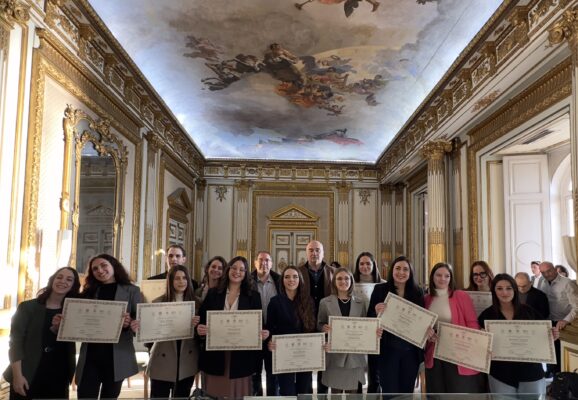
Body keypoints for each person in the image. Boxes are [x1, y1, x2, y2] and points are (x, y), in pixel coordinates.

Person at [196, 256, 269, 399]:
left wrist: (263, 334)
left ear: (246, 273)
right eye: (234, 268)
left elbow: (259, 325)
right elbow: (202, 320)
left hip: (241, 358)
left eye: (242, 269)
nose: (237, 272)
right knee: (214, 394)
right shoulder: (213, 293)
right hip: (215, 355)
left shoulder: (253, 296)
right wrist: (200, 330)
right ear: (228, 269)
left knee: (237, 394)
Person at [4, 267, 80, 400]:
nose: (63, 281)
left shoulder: (73, 311)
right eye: (59, 277)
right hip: (28, 371)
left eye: (69, 279)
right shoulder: (27, 307)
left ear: (73, 286)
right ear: (52, 280)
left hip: (58, 373)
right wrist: (17, 376)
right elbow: (15, 343)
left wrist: (57, 330)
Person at [76, 254, 142, 399]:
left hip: (117, 355)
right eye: (95, 269)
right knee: (85, 395)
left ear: (113, 266)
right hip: (90, 355)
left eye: (104, 265)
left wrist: (130, 323)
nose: (100, 270)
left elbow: (140, 319)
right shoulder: (88, 292)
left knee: (110, 396)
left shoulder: (132, 290)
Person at [479, 274, 559, 394]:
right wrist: (482, 339)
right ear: (494, 291)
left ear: (514, 290)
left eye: (509, 288)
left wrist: (552, 335)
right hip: (501, 374)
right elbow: (481, 346)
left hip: (531, 373)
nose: (504, 292)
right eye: (499, 288)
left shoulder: (529, 311)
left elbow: (544, 335)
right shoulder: (486, 315)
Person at [140, 265, 201, 398]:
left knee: (182, 396)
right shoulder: (157, 303)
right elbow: (150, 333)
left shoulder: (198, 304)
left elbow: (201, 336)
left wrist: (195, 327)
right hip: (162, 358)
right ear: (170, 281)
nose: (181, 281)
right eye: (177, 278)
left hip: (187, 359)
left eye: (184, 278)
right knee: (158, 396)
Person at [367, 256, 425, 394]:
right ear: (392, 270)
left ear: (410, 273)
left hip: (410, 352)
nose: (401, 272)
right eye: (397, 268)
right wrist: (375, 311)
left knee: (406, 393)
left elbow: (422, 321)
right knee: (389, 392)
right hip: (387, 350)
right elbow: (369, 317)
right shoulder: (380, 289)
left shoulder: (418, 292)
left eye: (405, 269)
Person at [425, 262, 485, 393]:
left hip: (458, 352)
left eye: (447, 276)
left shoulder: (461, 296)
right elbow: (423, 326)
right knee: (437, 391)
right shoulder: (427, 299)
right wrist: (427, 333)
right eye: (438, 275)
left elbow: (472, 323)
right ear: (432, 277)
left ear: (451, 278)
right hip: (434, 353)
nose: (443, 279)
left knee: (458, 391)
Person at [318, 267, 380, 392]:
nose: (343, 281)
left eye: (346, 278)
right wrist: (323, 328)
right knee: (335, 392)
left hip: (354, 357)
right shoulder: (325, 302)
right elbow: (319, 324)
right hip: (335, 356)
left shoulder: (361, 302)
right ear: (334, 281)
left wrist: (374, 331)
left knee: (354, 394)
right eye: (339, 278)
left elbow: (365, 326)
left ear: (351, 281)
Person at [267, 266, 316, 395]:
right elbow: (270, 328)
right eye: (287, 277)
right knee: (286, 391)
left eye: (295, 276)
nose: (291, 280)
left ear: (300, 279)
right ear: (282, 280)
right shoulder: (274, 302)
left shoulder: (308, 301)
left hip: (305, 353)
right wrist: (270, 342)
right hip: (284, 354)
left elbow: (313, 329)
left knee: (304, 390)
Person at [298, 240, 336, 393]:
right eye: (311, 250)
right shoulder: (298, 271)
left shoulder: (333, 272)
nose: (314, 253)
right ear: (306, 253)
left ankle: (321, 394)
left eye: (318, 250)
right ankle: (305, 395)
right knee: (305, 365)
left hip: (326, 324)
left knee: (324, 365)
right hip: (303, 323)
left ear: (323, 253)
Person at [538, 261, 578, 376]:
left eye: (549, 271)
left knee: (561, 356)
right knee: (550, 353)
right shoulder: (541, 281)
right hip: (547, 322)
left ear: (555, 269)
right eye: (543, 272)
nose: (546, 274)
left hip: (564, 323)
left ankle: (561, 382)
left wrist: (566, 320)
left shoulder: (568, 283)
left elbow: (576, 306)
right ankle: (552, 377)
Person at [251, 251, 280, 396]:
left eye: (267, 260)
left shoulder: (279, 281)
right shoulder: (247, 281)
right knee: (254, 375)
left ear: (272, 263)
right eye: (260, 260)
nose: (264, 263)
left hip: (273, 335)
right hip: (252, 335)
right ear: (255, 263)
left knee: (272, 375)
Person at [353, 251, 383, 393]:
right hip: (355, 331)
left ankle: (373, 394)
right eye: (361, 263)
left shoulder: (383, 285)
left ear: (373, 265)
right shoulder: (350, 283)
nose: (365, 266)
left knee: (375, 369)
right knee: (357, 368)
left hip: (376, 332)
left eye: (368, 263)